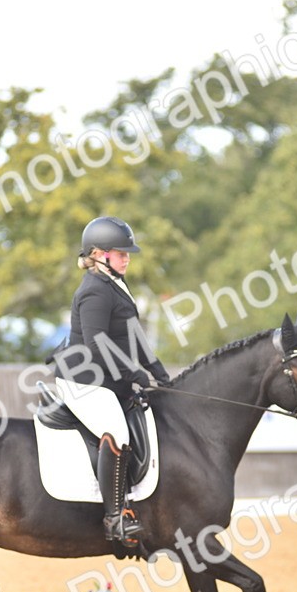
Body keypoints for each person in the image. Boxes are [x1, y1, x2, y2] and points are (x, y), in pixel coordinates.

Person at [49, 216, 172, 546]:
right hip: (83, 380)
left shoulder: (115, 284)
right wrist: (135, 374)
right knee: (116, 431)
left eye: (127, 253)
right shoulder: (94, 291)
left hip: (106, 377)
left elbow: (134, 336)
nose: (127, 257)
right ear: (100, 254)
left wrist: (159, 372)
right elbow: (97, 343)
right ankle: (115, 518)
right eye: (121, 253)